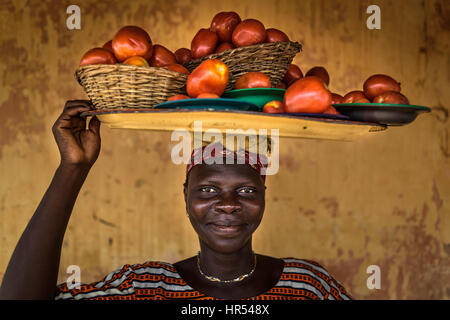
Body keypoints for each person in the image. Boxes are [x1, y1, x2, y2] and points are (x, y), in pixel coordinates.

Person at [0, 100, 351, 300]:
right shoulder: (146, 287)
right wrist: (72, 168)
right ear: (186, 195)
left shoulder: (307, 285)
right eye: (208, 189)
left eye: (246, 190)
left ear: (263, 196)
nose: (228, 204)